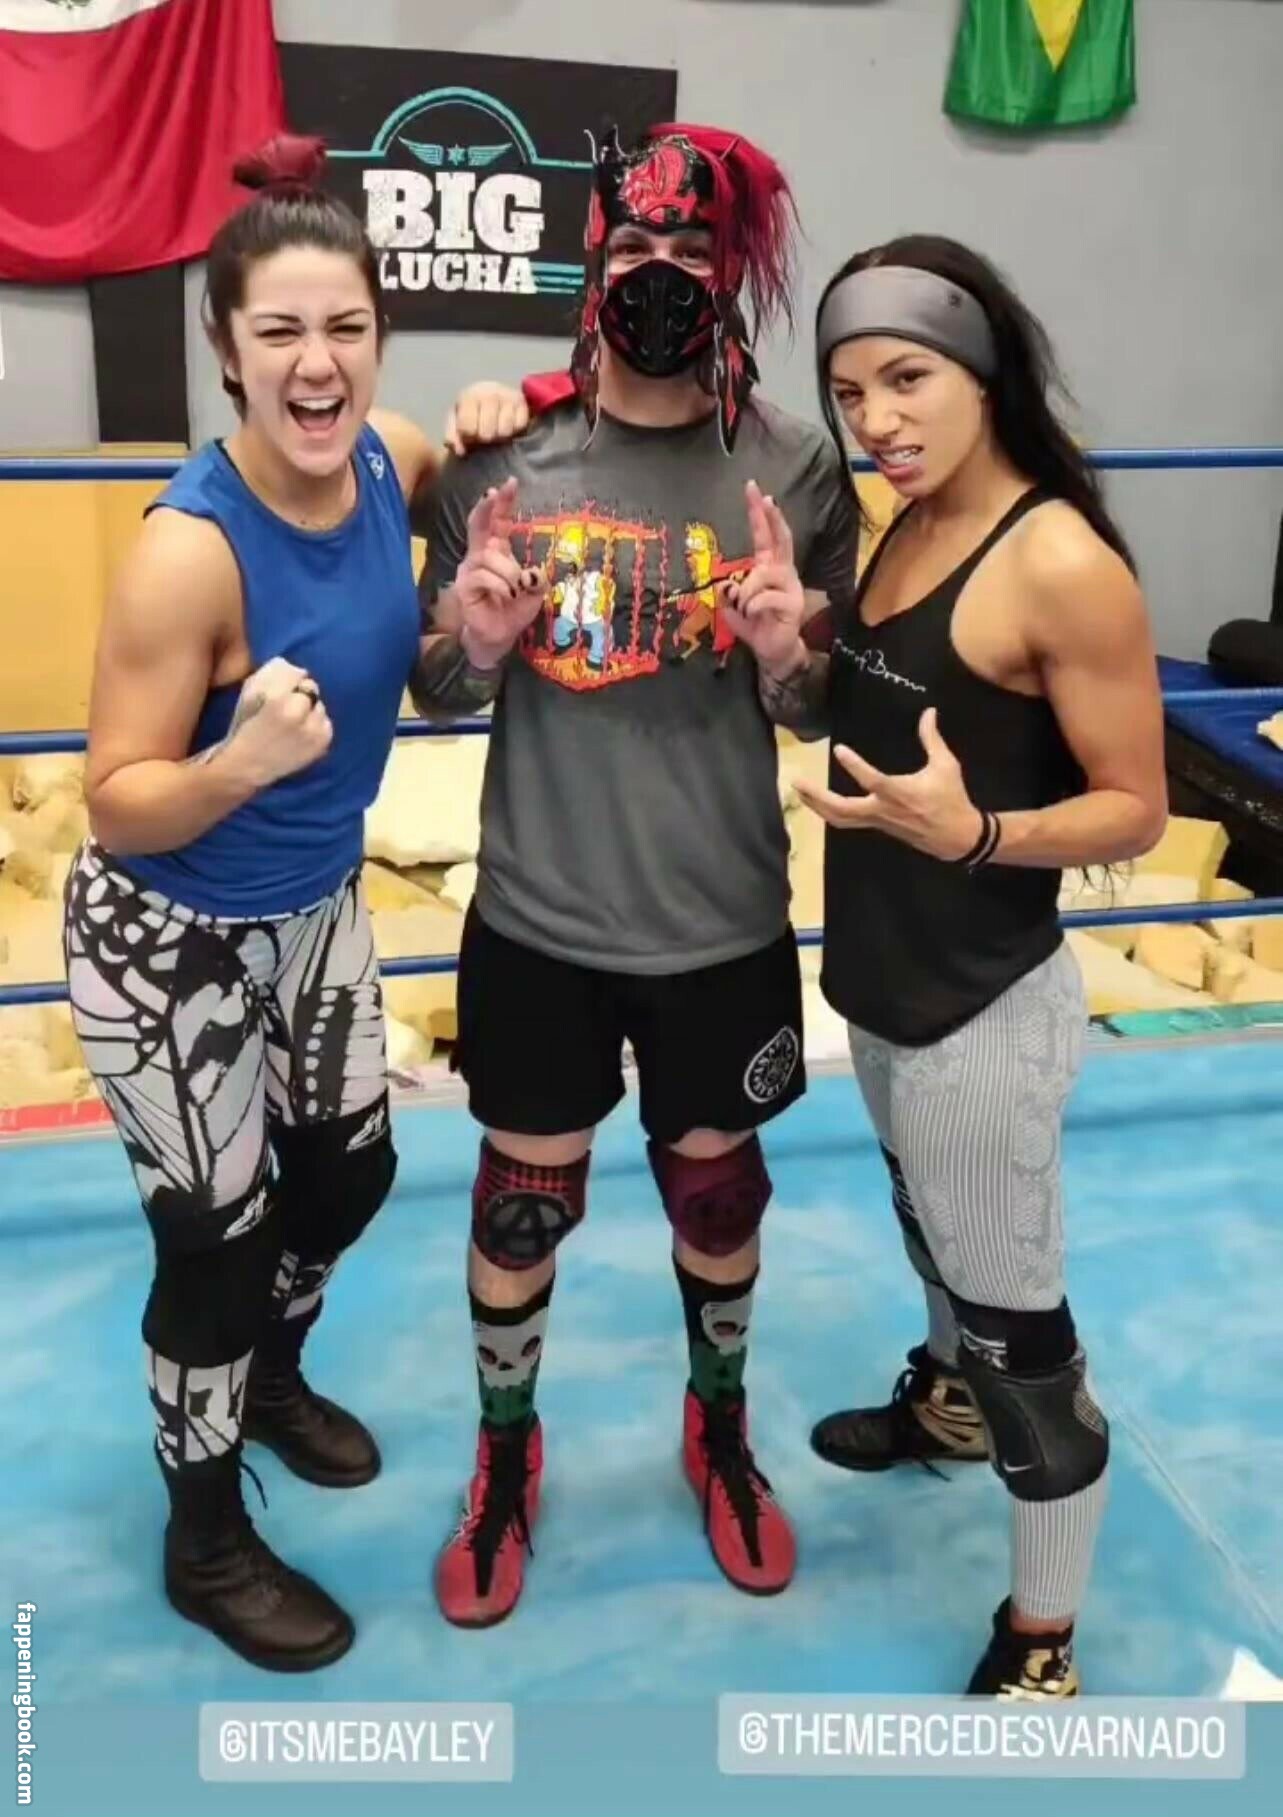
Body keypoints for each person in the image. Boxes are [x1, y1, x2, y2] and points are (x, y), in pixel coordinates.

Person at [62, 134, 516, 1673]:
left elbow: (446, 457)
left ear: (379, 338)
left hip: (314, 911)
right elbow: (115, 798)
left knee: (351, 1170)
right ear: (227, 350)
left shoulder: (387, 456)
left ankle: (264, 1369)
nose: (316, 363)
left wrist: (487, 413)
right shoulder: (188, 556)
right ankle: (204, 1541)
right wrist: (236, 762)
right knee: (215, 1241)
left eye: (346, 327)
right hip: (167, 932)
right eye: (280, 332)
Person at [418, 121, 861, 1628]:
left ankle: (718, 1429)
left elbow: (821, 703)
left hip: (720, 916)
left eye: (689, 250)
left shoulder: (795, 465)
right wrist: (478, 646)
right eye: (632, 248)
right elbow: (436, 681)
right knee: (520, 1207)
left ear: (730, 270)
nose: (659, 273)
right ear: (590, 265)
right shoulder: (503, 458)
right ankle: (504, 1453)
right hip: (540, 915)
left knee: (718, 1202)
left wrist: (792, 655)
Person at [744, 235, 1167, 1696]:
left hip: (983, 1009)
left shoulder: (1059, 563)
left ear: (984, 370)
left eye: (908, 379)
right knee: (933, 1233)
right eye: (851, 391)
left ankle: (1044, 1635)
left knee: (1022, 1336)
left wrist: (979, 832)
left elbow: (1136, 807)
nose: (878, 420)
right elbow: (862, 716)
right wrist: (790, 654)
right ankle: (948, 1404)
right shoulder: (904, 523)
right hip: (883, 986)